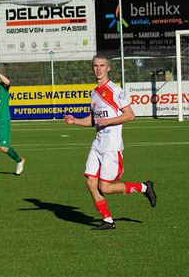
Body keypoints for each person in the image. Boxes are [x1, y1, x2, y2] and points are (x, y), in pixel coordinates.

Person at [63, 55, 157, 230]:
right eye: (95, 66)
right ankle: (107, 220)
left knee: (105, 187)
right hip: (97, 144)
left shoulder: (115, 90)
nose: (98, 69)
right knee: (91, 182)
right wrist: (74, 120)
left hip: (111, 146)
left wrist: (108, 121)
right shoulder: (94, 93)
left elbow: (130, 115)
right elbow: (94, 119)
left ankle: (143, 187)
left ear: (108, 68)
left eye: (102, 65)